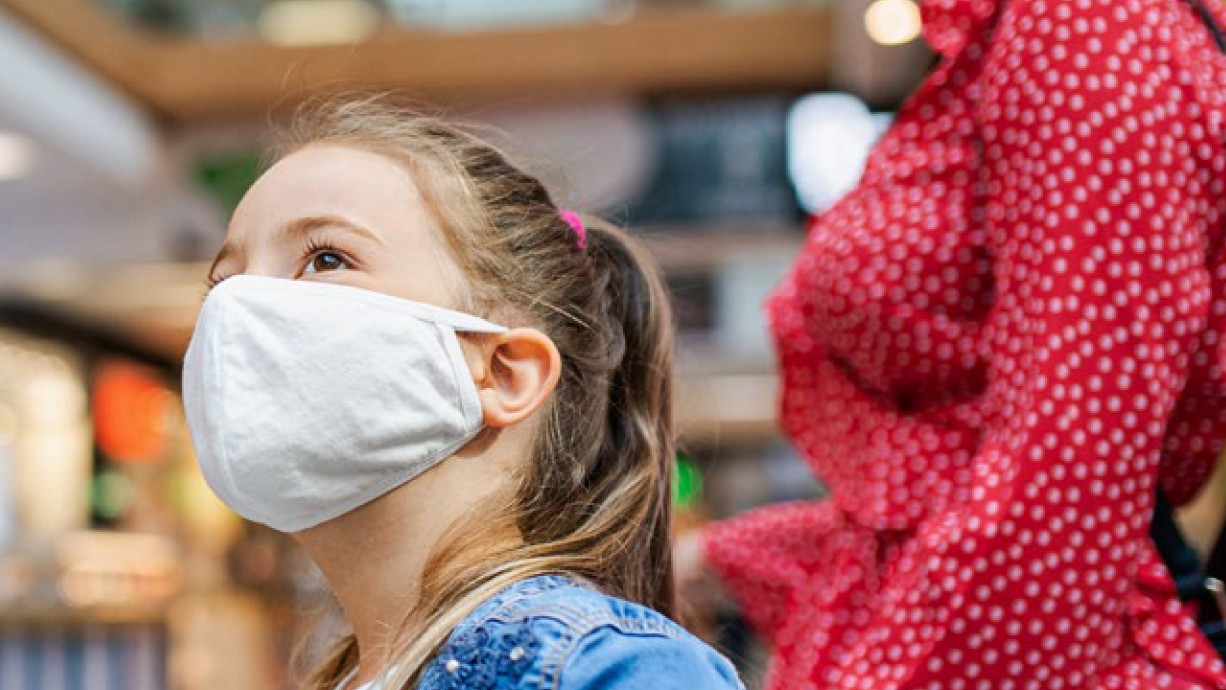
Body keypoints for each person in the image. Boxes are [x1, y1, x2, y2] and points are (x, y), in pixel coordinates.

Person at [682, 0, 1226, 688]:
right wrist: (721, 557)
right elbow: (938, 493)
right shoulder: (1049, 32)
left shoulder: (1088, 25)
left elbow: (1070, 473)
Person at [180, 98, 745, 690]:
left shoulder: (602, 668)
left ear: (503, 373)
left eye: (325, 258)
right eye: (224, 280)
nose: (238, 307)